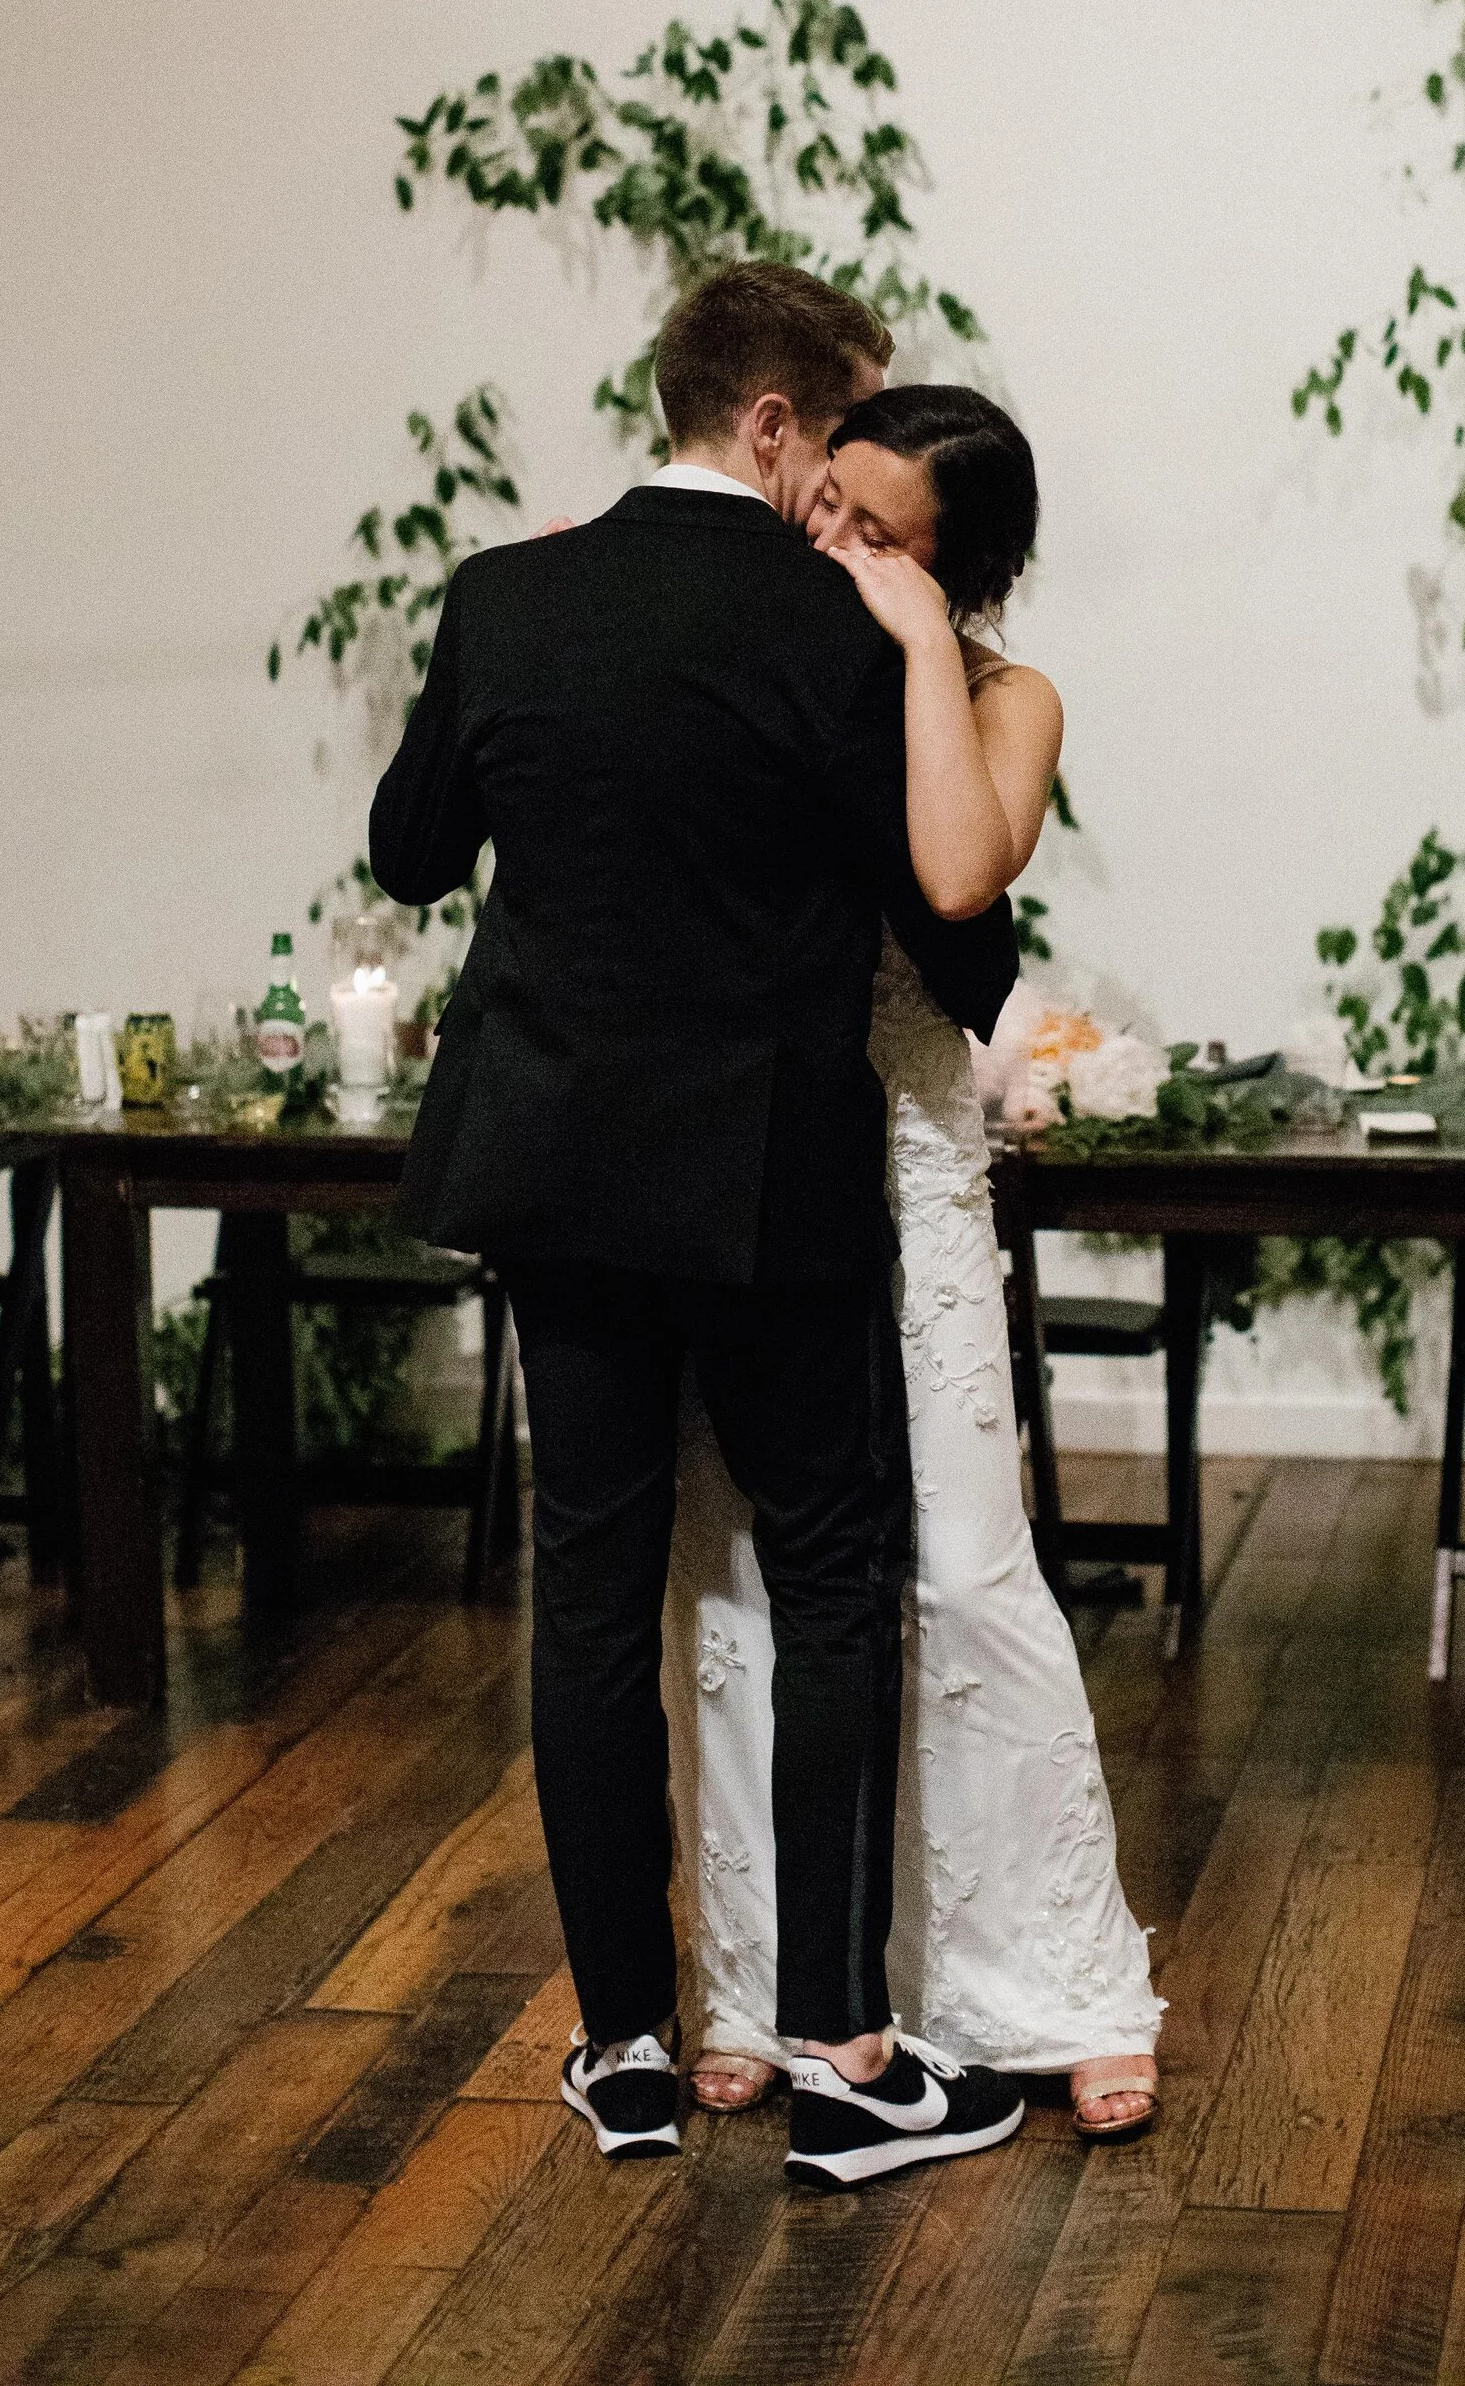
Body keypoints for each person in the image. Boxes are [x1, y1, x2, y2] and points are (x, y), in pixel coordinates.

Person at [368, 262, 1028, 2188]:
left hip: (557, 1173)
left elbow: (412, 850)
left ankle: (625, 2049)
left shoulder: (508, 592)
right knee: (832, 1582)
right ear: (769, 424)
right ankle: (838, 2050)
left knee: (590, 1594)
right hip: (766, 1184)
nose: (846, 484)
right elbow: (956, 939)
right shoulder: (828, 629)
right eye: (840, 436)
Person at [668, 386, 1163, 2143]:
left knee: (962, 1559)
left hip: (917, 1134)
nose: (835, 545)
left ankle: (1048, 1984)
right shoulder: (749, 647)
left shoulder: (1005, 694)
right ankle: (754, 1979)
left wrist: (901, 643)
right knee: (737, 1556)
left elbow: (957, 867)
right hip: (758, 1134)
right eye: (832, 511)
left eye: (884, 533)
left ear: (965, 576)